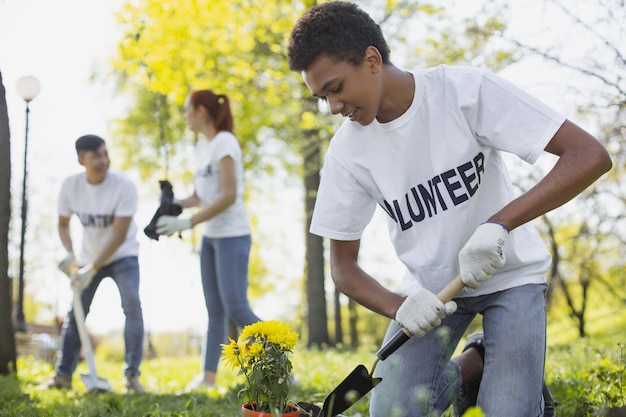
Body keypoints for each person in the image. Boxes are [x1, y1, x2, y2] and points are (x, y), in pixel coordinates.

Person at [287, 2, 612, 417]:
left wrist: (499, 224)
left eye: (335, 88)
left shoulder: (464, 92)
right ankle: (473, 366)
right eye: (322, 97)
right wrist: (400, 306)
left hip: (510, 277)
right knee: (391, 412)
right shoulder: (347, 152)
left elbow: (588, 155)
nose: (332, 107)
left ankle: (519, 389)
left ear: (371, 60)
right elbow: (343, 269)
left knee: (507, 411)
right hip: (430, 295)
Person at [155, 89, 261, 391]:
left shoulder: (225, 142)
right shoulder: (202, 147)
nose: (185, 116)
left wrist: (188, 221)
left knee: (237, 308)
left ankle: (281, 361)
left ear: (201, 111)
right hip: (211, 238)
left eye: (187, 110)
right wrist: (175, 205)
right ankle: (207, 378)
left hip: (233, 235)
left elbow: (228, 195)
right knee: (214, 310)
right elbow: (203, 196)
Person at [42, 134, 145, 393]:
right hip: (88, 259)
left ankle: (132, 375)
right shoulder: (71, 186)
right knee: (76, 312)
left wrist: (92, 269)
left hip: (123, 255)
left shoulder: (123, 187)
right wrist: (71, 257)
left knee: (131, 304)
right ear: (81, 160)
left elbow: (119, 234)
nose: (103, 160)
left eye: (105, 153)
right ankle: (63, 376)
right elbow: (63, 224)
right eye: (96, 156)